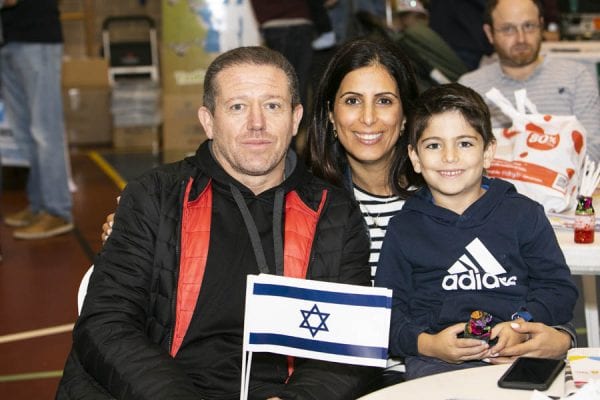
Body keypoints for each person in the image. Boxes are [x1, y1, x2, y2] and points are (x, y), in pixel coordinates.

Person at [57, 46, 376, 400]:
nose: (257, 123)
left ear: (295, 118)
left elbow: (350, 344)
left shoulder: (335, 212)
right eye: (237, 107)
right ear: (208, 121)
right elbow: (106, 323)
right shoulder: (155, 195)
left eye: (272, 106)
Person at [375, 82, 579, 380]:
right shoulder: (404, 228)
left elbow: (559, 289)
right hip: (437, 364)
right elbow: (387, 313)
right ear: (415, 158)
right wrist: (429, 345)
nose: (449, 157)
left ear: (488, 152)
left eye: (465, 143)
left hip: (520, 355)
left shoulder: (523, 214)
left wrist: (522, 324)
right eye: (433, 145)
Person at [306, 37, 419, 283]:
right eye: (352, 101)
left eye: (384, 101)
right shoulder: (307, 207)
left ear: (405, 116)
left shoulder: (441, 196)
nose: (368, 118)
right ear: (331, 114)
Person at [459, 0, 600, 160]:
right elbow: (462, 153)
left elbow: (594, 151)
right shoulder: (470, 88)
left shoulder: (575, 77)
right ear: (490, 33)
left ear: (541, 26)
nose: (521, 39)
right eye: (508, 29)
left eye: (529, 26)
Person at [1, 0, 74, 239]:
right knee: (24, 133)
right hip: (9, 38)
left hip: (36, 37)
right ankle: (39, 206)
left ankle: (57, 211)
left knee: (45, 130)